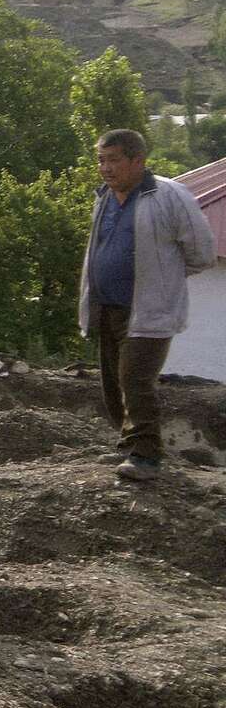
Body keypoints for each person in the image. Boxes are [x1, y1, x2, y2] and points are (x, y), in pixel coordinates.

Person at [77, 129, 216, 481]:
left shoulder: (169, 195)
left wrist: (163, 280)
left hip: (148, 310)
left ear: (138, 160)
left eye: (114, 160)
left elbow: (201, 252)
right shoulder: (105, 198)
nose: (105, 168)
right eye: (101, 160)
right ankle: (129, 444)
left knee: (135, 380)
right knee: (112, 384)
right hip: (108, 307)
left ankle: (146, 455)